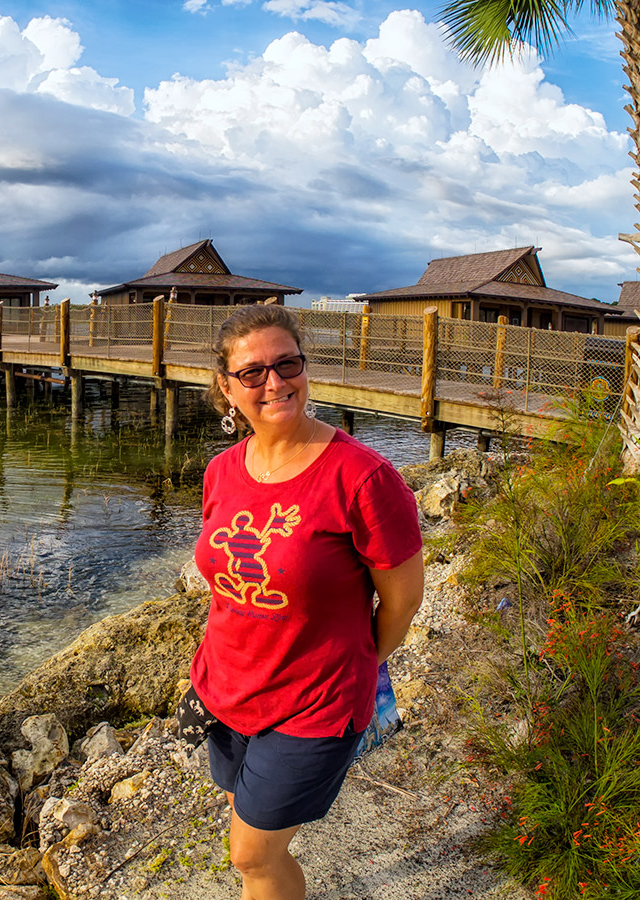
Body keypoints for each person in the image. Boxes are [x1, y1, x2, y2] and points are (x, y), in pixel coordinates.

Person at [189, 303, 424, 900]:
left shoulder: (364, 478)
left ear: (305, 367)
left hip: (315, 703)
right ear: (226, 388)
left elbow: (402, 598)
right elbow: (224, 581)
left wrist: (360, 663)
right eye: (253, 372)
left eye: (287, 363)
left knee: (251, 854)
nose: (274, 382)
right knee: (249, 829)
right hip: (226, 688)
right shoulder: (221, 471)